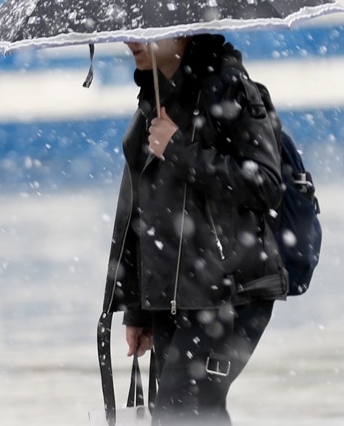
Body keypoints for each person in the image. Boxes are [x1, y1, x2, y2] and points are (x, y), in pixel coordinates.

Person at [100, 33, 288, 425]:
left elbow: (266, 183)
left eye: (145, 31)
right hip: (177, 296)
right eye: (128, 31)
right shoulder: (154, 97)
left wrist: (180, 150)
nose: (131, 40)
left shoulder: (230, 86)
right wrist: (137, 307)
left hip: (229, 293)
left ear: (182, 32)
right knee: (191, 414)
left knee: (182, 414)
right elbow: (139, 207)